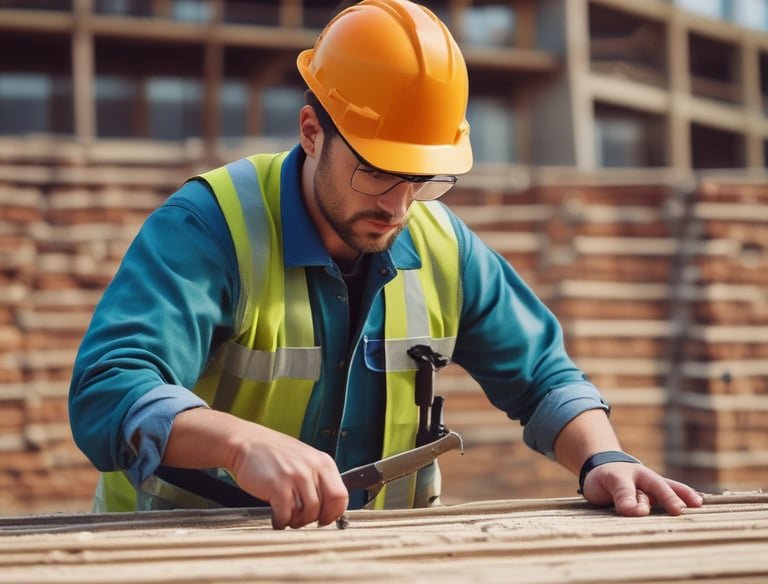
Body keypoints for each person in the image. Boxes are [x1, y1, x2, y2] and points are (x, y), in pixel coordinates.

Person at [68, 0, 703, 530]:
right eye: (374, 171)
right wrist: (240, 443)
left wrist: (602, 459)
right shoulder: (210, 228)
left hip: (383, 559)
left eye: (422, 179)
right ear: (312, 132)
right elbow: (109, 387)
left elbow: (543, 375)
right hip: (179, 554)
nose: (398, 205)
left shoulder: (441, 244)